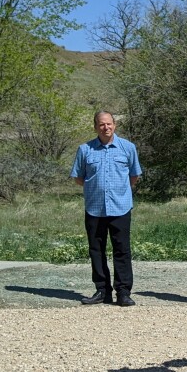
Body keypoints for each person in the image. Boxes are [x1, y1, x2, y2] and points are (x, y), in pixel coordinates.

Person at [72, 111, 142, 307]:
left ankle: (123, 292)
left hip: (120, 207)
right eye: (101, 124)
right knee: (96, 250)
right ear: (95, 127)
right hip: (95, 208)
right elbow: (79, 178)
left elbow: (134, 176)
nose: (106, 128)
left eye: (109, 124)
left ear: (115, 125)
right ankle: (102, 291)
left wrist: (120, 192)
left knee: (122, 250)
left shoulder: (128, 148)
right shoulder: (85, 150)